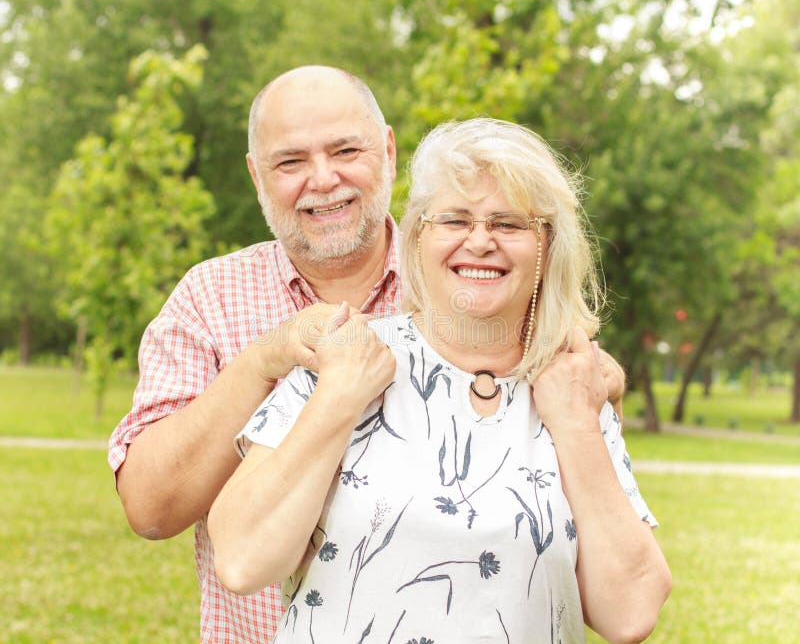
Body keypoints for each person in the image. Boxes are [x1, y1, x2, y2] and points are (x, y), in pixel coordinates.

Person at [108, 66, 627, 642]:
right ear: (258, 175)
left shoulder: (472, 276)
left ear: (386, 150)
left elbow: (570, 418)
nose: (323, 179)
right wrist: (263, 362)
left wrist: (603, 390)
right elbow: (152, 510)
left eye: (345, 150)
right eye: (290, 162)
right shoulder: (209, 298)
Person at [208, 118, 671, 643]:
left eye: (509, 223)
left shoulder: (574, 386)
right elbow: (242, 562)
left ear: (547, 245)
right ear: (419, 237)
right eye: (454, 219)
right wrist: (338, 397)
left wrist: (579, 426)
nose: (479, 241)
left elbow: (630, 613)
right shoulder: (345, 361)